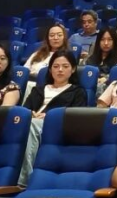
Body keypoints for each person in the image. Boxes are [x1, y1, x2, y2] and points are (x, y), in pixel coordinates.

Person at [19, 50, 87, 185]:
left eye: (65, 66)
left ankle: (23, 180)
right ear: (50, 69)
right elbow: (24, 110)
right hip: (32, 122)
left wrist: (49, 117)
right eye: (56, 66)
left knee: (32, 125)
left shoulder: (78, 92)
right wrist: (31, 113)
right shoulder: (38, 90)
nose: (60, 70)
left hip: (56, 127)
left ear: (73, 69)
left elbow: (77, 118)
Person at [24, 22, 68, 98]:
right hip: (29, 84)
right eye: (52, 35)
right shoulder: (37, 54)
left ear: (64, 38)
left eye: (59, 35)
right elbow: (25, 70)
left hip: (50, 88)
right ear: (47, 38)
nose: (55, 38)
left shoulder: (67, 56)